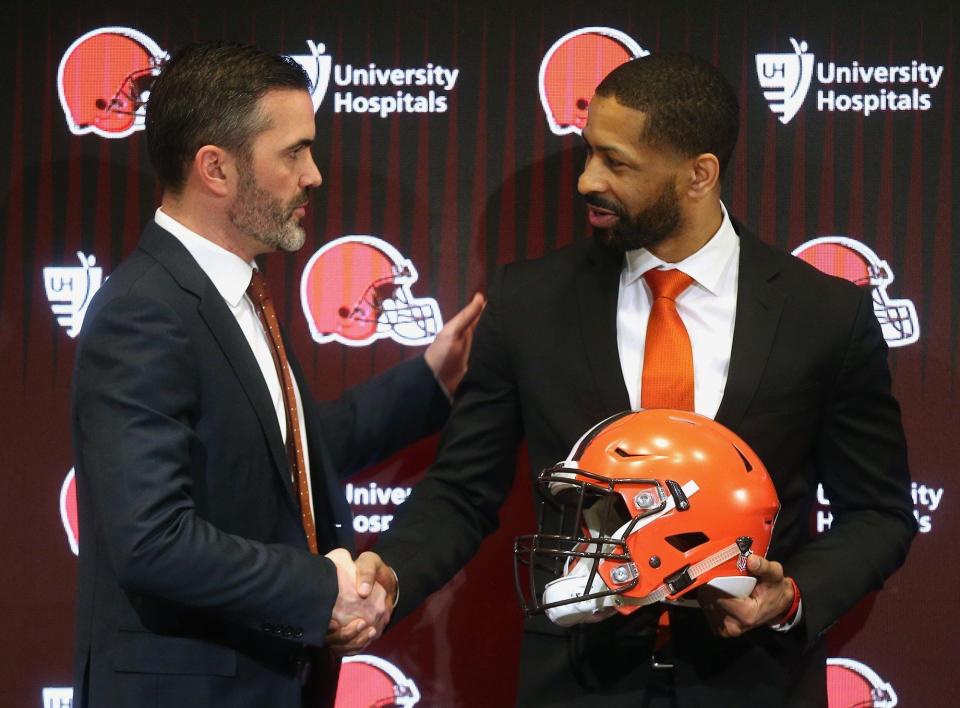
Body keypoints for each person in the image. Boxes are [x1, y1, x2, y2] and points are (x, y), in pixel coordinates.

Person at [354, 52, 916, 706]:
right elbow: (461, 488)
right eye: (589, 154)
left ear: (698, 175)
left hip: (756, 682)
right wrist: (388, 576)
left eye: (617, 164)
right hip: (575, 682)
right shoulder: (528, 302)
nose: (587, 180)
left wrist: (790, 595)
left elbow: (878, 513)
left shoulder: (823, 315)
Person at [70, 41, 483, 708]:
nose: (315, 174)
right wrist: (323, 591)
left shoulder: (235, 292)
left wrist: (426, 385)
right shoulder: (146, 312)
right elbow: (152, 538)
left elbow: (277, 460)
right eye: (294, 151)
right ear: (216, 169)